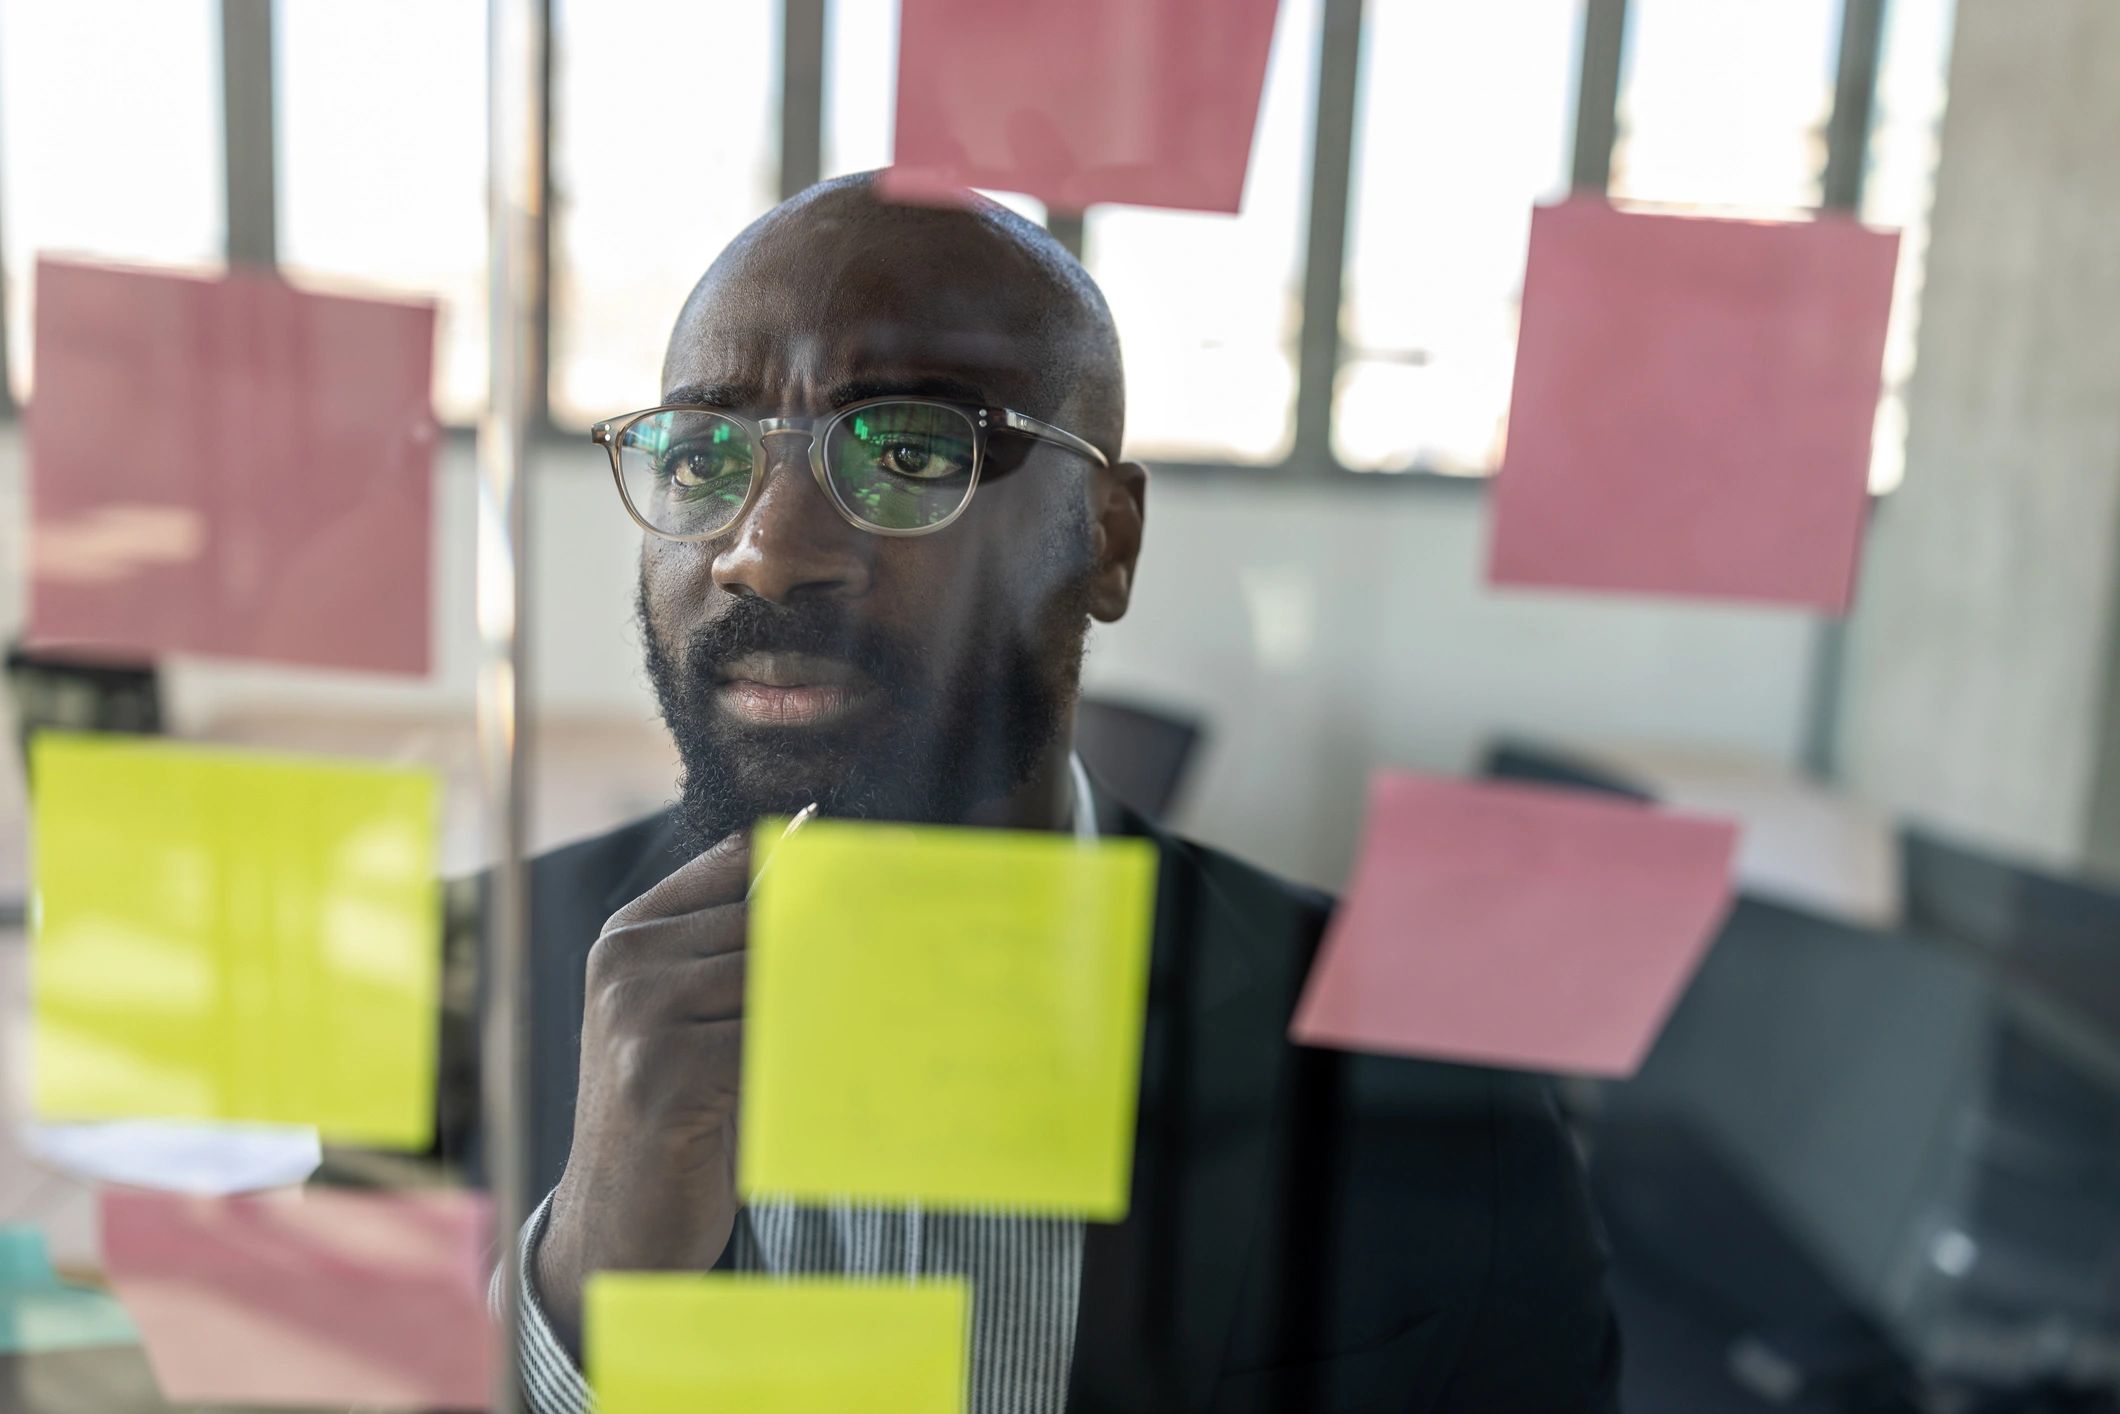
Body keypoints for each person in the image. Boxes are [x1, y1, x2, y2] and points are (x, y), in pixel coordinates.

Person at [500, 173, 1621, 1413]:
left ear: (1105, 538)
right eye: (704, 453)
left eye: (910, 448)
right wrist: (576, 1293)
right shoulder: (460, 996)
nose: (762, 547)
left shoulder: (1425, 1090)